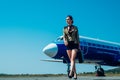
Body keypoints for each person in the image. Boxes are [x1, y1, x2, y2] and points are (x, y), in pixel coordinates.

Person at [63, 15, 80, 79]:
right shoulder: (64, 28)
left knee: (72, 59)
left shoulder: (75, 27)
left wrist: (78, 45)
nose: (67, 20)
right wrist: (65, 41)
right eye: (66, 19)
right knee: (71, 60)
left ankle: (71, 72)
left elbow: (77, 37)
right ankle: (75, 73)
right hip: (68, 44)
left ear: (71, 20)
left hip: (74, 44)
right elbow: (64, 36)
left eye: (68, 19)